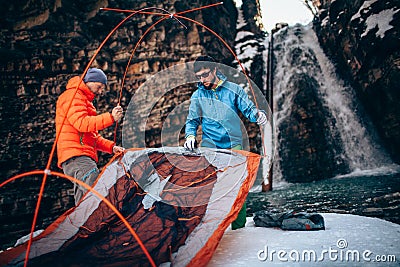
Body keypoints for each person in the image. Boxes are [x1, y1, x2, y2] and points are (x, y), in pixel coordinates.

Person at [184, 55, 267, 229]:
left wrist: (257, 115)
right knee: (208, 187)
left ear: (215, 70)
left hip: (233, 145)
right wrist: (190, 136)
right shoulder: (197, 96)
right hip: (210, 146)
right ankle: (209, 229)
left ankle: (239, 227)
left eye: (205, 74)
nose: (203, 79)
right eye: (199, 76)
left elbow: (248, 110)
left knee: (237, 187)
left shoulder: (234, 89)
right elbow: (192, 121)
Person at [56, 68, 125, 205]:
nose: (100, 91)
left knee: (83, 202)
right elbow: (82, 123)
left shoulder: (84, 101)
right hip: (77, 156)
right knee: (98, 191)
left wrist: (111, 147)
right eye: (99, 86)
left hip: (79, 157)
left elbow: (92, 137)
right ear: (90, 81)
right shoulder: (73, 96)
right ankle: (106, 223)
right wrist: (111, 117)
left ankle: (80, 225)